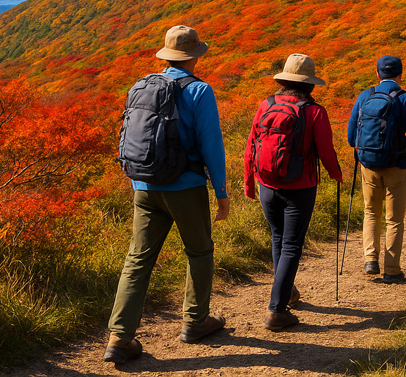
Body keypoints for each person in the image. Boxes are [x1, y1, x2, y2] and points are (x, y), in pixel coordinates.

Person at [104, 25, 230, 364]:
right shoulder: (200, 91)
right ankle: (196, 321)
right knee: (200, 251)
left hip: (143, 186)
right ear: (194, 56)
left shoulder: (141, 85)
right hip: (185, 186)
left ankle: (119, 337)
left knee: (138, 259)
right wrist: (221, 191)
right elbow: (211, 146)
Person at [245, 53, 343, 331]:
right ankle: (276, 311)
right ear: (310, 85)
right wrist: (336, 174)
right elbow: (325, 150)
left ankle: (286, 293)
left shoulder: (266, 104)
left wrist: (249, 182)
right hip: (300, 186)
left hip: (267, 184)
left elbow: (252, 143)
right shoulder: (315, 112)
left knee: (278, 239)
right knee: (291, 245)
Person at [348, 55, 406, 283]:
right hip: (397, 165)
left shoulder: (365, 96)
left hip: (369, 165)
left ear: (377, 74)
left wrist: (364, 152)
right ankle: (392, 271)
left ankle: (370, 260)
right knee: (394, 219)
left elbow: (350, 136)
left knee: (371, 212)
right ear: (401, 74)